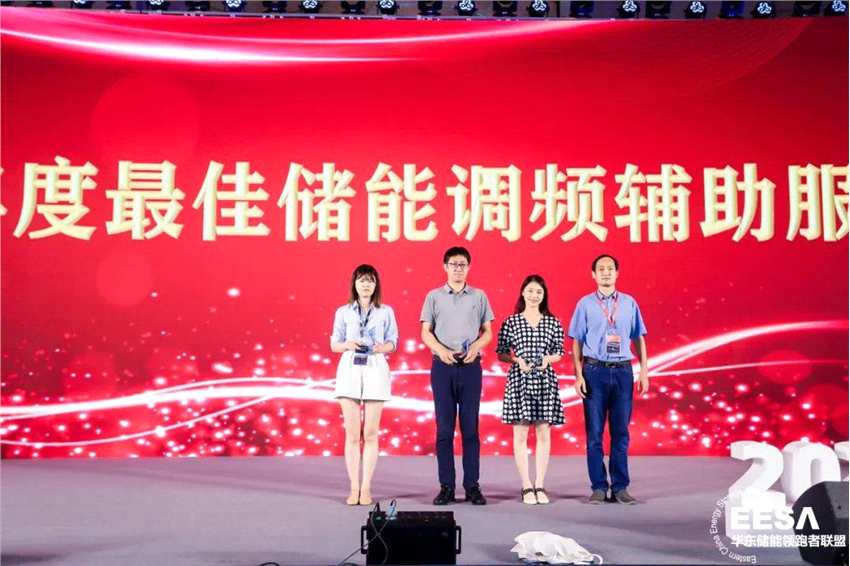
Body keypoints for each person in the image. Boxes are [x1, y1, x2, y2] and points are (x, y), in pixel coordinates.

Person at [568, 254, 649, 505]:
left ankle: (621, 487)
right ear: (593, 274)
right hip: (594, 372)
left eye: (610, 268)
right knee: (594, 433)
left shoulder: (629, 303)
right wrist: (578, 375)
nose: (606, 272)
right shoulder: (585, 304)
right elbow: (576, 342)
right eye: (601, 269)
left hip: (623, 372)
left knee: (621, 432)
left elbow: (639, 337)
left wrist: (644, 370)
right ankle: (599, 487)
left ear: (617, 273)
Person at [420, 246, 494, 506]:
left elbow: (488, 332)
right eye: (454, 264)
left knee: (470, 429)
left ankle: (472, 486)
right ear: (445, 267)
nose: (458, 269)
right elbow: (426, 332)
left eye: (463, 264)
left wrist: (476, 347)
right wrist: (441, 350)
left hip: (471, 367)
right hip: (442, 367)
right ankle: (446, 487)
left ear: (468, 267)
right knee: (444, 430)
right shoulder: (433, 297)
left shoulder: (479, 296)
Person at [330, 264, 399, 506]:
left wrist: (381, 347)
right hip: (349, 368)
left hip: (375, 367)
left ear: (376, 284)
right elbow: (334, 344)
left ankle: (366, 487)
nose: (366, 284)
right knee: (352, 434)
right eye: (362, 280)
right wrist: (348, 344)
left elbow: (393, 341)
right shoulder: (343, 312)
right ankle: (353, 487)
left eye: (370, 280)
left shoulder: (386, 311)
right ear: (355, 284)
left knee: (369, 433)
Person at [496, 275, 565, 505]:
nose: (534, 295)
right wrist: (517, 360)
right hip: (520, 380)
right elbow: (501, 352)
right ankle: (526, 485)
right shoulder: (511, 321)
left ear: (544, 296)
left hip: (545, 380)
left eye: (539, 292)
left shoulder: (552, 322)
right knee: (521, 434)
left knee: (544, 432)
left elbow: (559, 351)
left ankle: (540, 484)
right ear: (523, 293)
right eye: (531, 291)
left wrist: (547, 359)